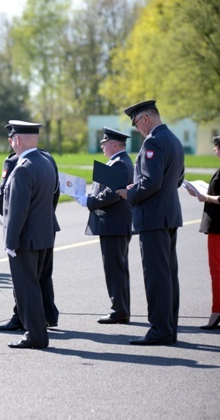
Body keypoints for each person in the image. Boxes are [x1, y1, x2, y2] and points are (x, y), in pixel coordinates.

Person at [117, 100, 185, 345]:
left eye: (136, 124)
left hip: (153, 217)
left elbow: (151, 182)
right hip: (168, 215)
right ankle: (168, 328)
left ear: (145, 118)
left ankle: (160, 330)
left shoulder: (153, 141)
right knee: (168, 275)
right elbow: (177, 178)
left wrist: (130, 193)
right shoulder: (174, 140)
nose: (137, 130)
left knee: (156, 276)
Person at [2, 120, 59, 349]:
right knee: (34, 285)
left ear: (16, 140)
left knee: (27, 289)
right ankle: (37, 332)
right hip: (44, 234)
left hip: (25, 239)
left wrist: (10, 241)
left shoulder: (23, 167)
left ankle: (35, 335)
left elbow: (18, 210)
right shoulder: (45, 161)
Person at [76, 127, 133, 324]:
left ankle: (119, 310)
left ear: (114, 145)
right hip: (114, 223)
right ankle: (121, 308)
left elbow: (111, 194)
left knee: (114, 268)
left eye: (104, 143)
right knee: (117, 267)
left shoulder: (119, 164)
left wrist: (89, 202)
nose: (102, 146)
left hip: (114, 224)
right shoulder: (119, 162)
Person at [184, 135, 220, 330]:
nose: (215, 149)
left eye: (217, 147)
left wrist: (205, 197)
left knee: (216, 271)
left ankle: (216, 312)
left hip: (218, 227)